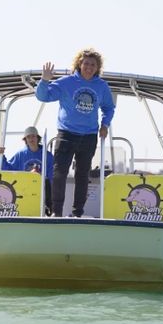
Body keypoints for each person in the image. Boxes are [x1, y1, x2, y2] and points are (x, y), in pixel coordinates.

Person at [36, 48, 115, 217]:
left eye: (93, 64)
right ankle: (56, 212)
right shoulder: (66, 82)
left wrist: (105, 124)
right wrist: (44, 80)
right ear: (79, 63)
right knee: (59, 173)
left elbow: (108, 108)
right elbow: (43, 96)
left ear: (97, 67)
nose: (89, 67)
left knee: (82, 174)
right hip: (66, 134)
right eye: (86, 63)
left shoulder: (101, 86)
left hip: (89, 137)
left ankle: (77, 213)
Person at [0, 126, 55, 215]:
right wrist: (0, 156)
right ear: (25, 140)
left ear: (37, 138)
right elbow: (7, 169)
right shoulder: (20, 154)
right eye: (28, 137)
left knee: (46, 181)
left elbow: (51, 176)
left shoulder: (48, 155)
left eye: (33, 136)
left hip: (41, 190)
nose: (31, 139)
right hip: (24, 190)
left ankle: (48, 208)